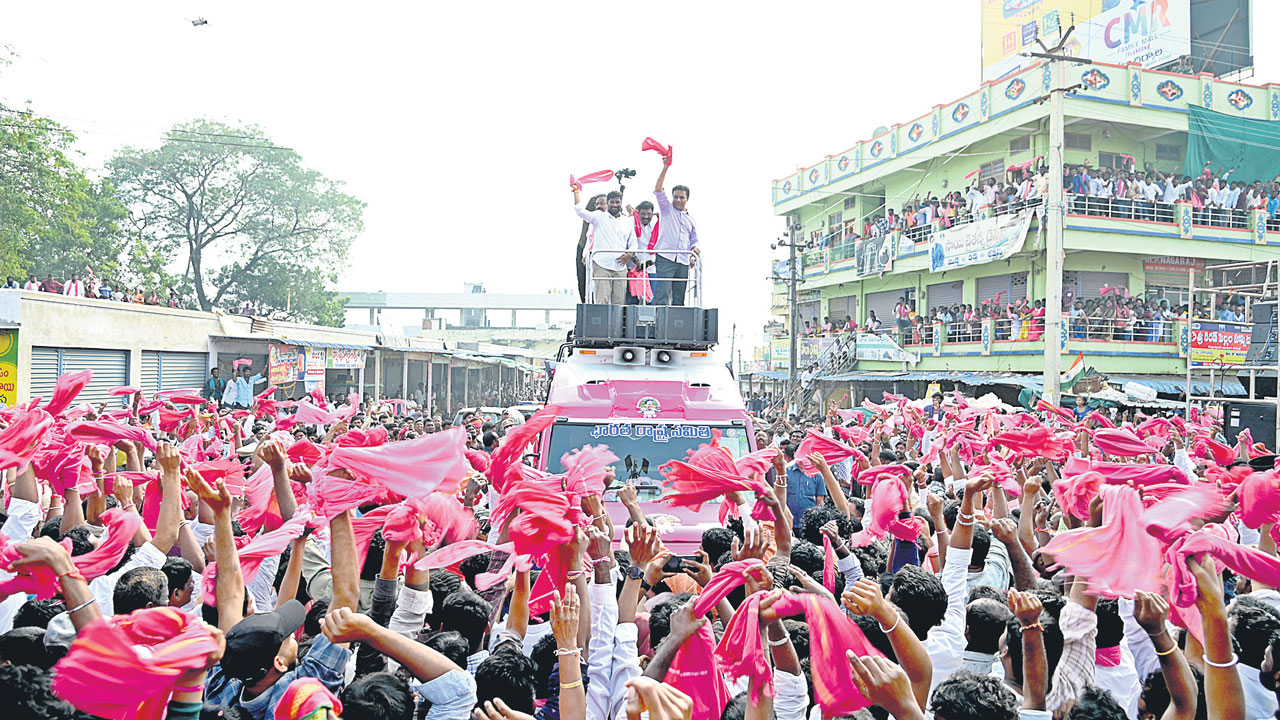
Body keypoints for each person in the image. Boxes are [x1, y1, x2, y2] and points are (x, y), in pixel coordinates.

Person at [652, 153, 699, 306]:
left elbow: (694, 240)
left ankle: (676, 327)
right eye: (676, 197)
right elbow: (658, 189)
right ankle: (659, 326)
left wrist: (695, 250)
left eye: (681, 197)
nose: (678, 200)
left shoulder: (691, 219)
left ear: (687, 199)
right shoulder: (666, 208)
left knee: (679, 297)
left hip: (683, 261)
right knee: (663, 294)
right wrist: (665, 167)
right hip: (665, 257)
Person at [573, 187, 634, 305]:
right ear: (608, 203)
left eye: (617, 202)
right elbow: (579, 210)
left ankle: (616, 324)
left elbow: (633, 242)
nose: (615, 205)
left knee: (619, 303)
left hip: (620, 266)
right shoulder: (598, 216)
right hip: (602, 265)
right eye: (612, 202)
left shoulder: (627, 221)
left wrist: (630, 254)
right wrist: (576, 191)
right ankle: (602, 324)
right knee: (602, 301)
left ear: (621, 203)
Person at [574, 194, 604, 303]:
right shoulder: (591, 216)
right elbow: (579, 209)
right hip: (584, 248)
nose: (599, 207)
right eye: (597, 204)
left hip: (598, 251)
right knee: (584, 282)